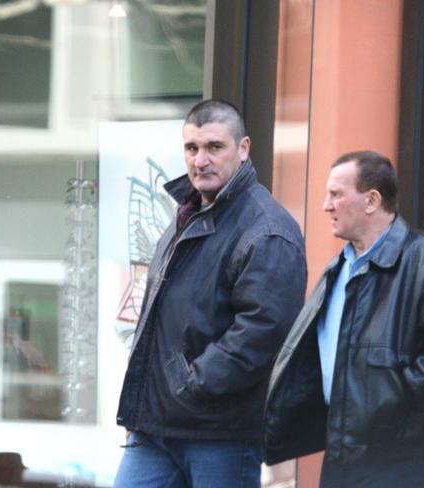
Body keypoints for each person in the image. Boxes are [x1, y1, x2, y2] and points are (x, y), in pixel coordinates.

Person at [263, 150, 424, 487]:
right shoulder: (338, 268)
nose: (326, 205)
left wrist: (395, 405)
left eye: (336, 194)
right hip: (341, 451)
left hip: (400, 460)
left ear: (371, 200)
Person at [114, 99, 307, 488]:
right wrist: (143, 411)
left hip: (220, 435)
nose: (200, 159)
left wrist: (188, 387)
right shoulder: (187, 214)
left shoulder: (267, 230)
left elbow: (261, 334)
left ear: (244, 148)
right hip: (155, 428)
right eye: (192, 148)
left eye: (214, 147)